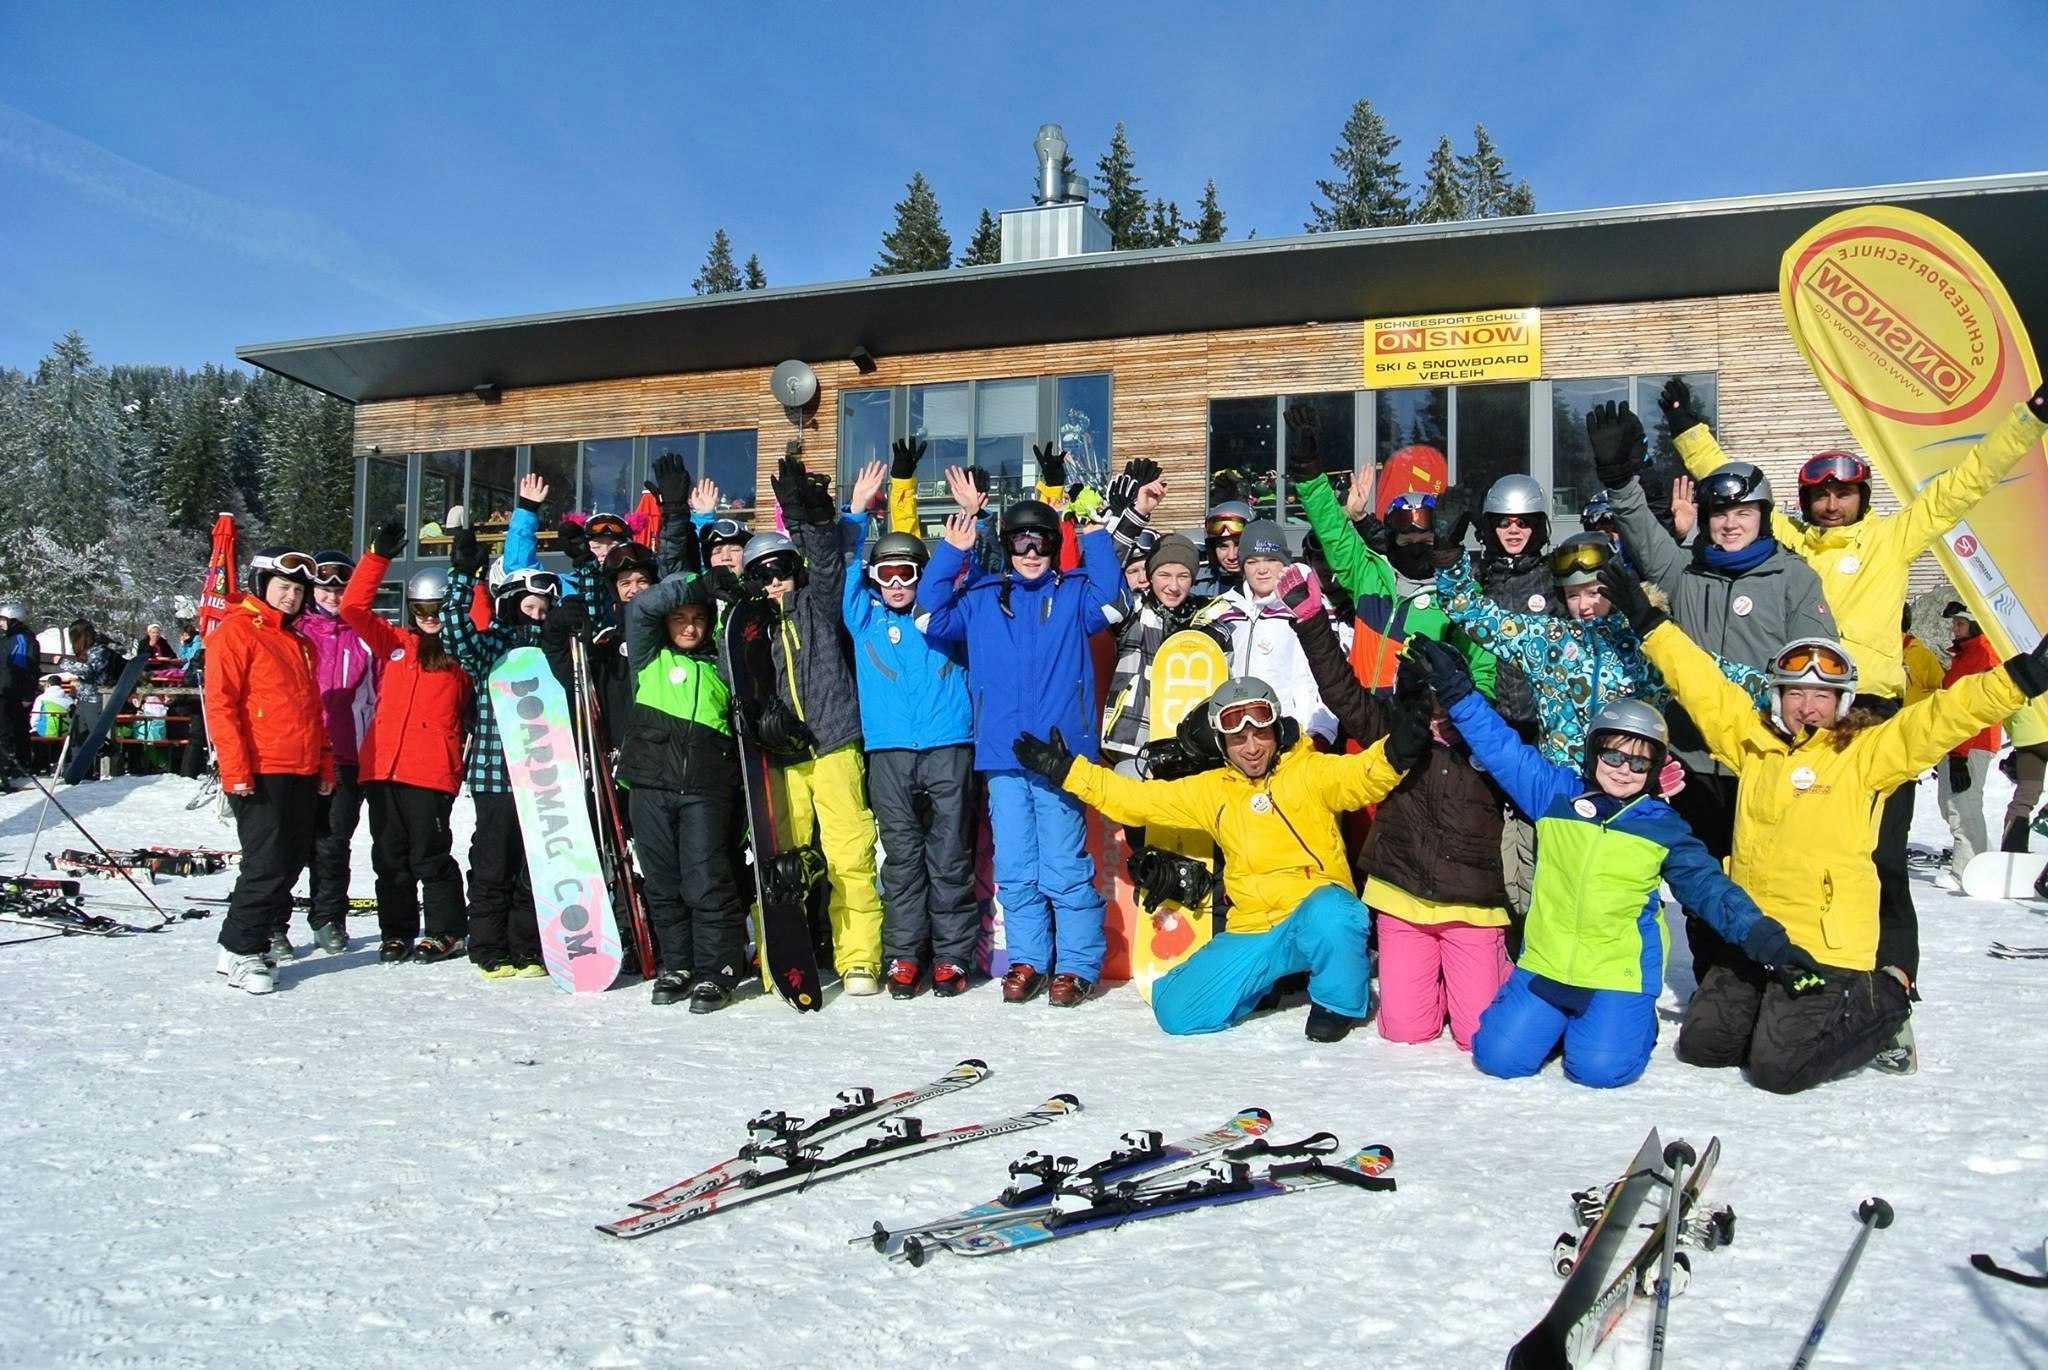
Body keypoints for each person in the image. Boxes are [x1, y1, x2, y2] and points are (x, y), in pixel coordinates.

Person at [1655, 377, 2048, 994]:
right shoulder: (1788, 544)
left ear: (1864, 496)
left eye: (1845, 493)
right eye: (1821, 494)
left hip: (1870, 716)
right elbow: (1728, 480)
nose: (1833, 504)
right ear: (1804, 501)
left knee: (1882, 859)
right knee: (1776, 855)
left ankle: (1893, 987)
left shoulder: (1892, 539)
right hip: (1791, 713)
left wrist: (2029, 419)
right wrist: (1687, 426)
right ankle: (1769, 973)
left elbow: (1966, 480)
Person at [1601, 559, 2048, 1092]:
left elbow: (1943, 715)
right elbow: (1703, 687)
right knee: (1704, 1047)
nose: (1807, 707)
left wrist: (2021, 678)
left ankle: (1884, 1002)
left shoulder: (1869, 752)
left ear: (1843, 702)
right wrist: (1650, 625)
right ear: (1777, 696)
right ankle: (1772, 1006)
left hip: (1827, 948)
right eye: (1795, 694)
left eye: (1821, 696)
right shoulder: (1755, 745)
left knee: (1778, 1070)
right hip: (1757, 937)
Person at [1410, 639, 1806, 1087]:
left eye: (1639, 762)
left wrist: (1768, 942)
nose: (1623, 769)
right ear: (1593, 752)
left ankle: (1630, 1022)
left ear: (1655, 769)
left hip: (1618, 972)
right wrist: (1458, 691)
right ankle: (1556, 1020)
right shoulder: (1555, 794)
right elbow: (1501, 748)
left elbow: (1712, 891)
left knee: (1600, 1071)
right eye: (1613, 755)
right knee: (1498, 1058)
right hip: (1548, 964)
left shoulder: (1663, 827)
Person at [1016, 675, 1421, 1040]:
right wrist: (1069, 772)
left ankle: (1338, 1001)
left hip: (1312, 917)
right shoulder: (1214, 791)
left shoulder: (1309, 771)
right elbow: (1137, 800)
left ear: (1275, 729)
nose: (1251, 746)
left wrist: (1399, 746)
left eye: (1259, 731)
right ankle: (1260, 981)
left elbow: (1362, 776)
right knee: (1176, 1011)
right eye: (1237, 737)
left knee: (1336, 909)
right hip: (1255, 929)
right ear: (1222, 742)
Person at [1588, 402, 1832, 984]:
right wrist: (1620, 481)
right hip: (1694, 761)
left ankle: (1772, 973)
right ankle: (1715, 980)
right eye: (1719, 511)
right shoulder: (1686, 573)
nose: (1728, 522)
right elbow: (1644, 534)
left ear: (1763, 515)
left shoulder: (1794, 578)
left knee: (1762, 877)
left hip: (1762, 761)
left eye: (1742, 511)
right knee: (1698, 879)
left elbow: (1815, 669)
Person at [1282, 568, 1510, 1051]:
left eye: (1444, 696)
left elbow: (1543, 772)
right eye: (1424, 698)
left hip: (1471, 906)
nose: (1436, 709)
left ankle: (1490, 969)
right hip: (1402, 899)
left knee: (1478, 1036)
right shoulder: (1396, 737)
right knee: (1406, 1031)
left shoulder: (1491, 745)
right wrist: (1311, 621)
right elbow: (1341, 691)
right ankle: (1441, 979)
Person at [920, 477, 1124, 1007]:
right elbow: (928, 615)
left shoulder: (1074, 593)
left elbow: (1114, 603)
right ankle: (1030, 959)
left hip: (1060, 757)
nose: (1031, 552)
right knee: (1015, 865)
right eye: (1021, 542)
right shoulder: (983, 598)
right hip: (1003, 754)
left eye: (1042, 542)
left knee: (1064, 861)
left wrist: (1096, 529)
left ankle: (1077, 964)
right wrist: (952, 551)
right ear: (1007, 545)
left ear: (1055, 547)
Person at [744, 447, 887, 996]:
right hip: (783, 759)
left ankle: (857, 959)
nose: (775, 583)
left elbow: (827, 565)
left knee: (849, 854)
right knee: (788, 862)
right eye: (764, 576)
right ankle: (786, 953)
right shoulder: (749, 628)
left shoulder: (817, 604)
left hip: (832, 743)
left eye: (782, 572)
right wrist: (765, 723)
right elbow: (742, 688)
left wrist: (811, 522)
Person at [1435, 532, 1766, 768]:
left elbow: (1715, 675)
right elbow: (1474, 614)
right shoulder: (1547, 639)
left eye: (1595, 592)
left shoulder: (1645, 646)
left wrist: (1788, 693)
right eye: (1573, 595)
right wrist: (1451, 568)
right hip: (1562, 793)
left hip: (1630, 788)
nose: (1585, 606)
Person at [843, 469, 978, 999]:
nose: (897, 584)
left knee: (949, 857)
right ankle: (904, 955)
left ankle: (951, 957)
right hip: (890, 753)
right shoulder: (864, 618)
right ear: (875, 579)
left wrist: (973, 515)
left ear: (923, 576)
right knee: (900, 861)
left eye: (907, 573)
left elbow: (977, 564)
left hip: (948, 746)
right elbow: (841, 570)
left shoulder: (944, 616)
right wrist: (855, 512)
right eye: (887, 574)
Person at [443, 494, 566, 979]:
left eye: (543, 607)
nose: (536, 614)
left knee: (532, 867)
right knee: (494, 862)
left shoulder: (558, 649)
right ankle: (488, 944)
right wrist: (462, 579)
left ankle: (526, 944)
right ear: (511, 605)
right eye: (528, 605)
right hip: (498, 774)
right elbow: (456, 636)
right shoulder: (494, 644)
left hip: (544, 777)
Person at [205, 548, 337, 994]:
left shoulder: (299, 642)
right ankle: (243, 949)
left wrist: (323, 762)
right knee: (265, 863)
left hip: (300, 766)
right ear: (264, 586)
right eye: (284, 587)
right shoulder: (237, 632)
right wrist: (235, 768)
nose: (291, 596)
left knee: (292, 861)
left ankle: (244, 943)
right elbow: (221, 706)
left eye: (299, 590)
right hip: (261, 766)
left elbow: (311, 710)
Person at [341, 526, 474, 964]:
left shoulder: (462, 653)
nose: (429, 616)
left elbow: (484, 620)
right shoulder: (395, 643)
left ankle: (447, 930)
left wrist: (467, 578)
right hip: (382, 768)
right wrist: (376, 558)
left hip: (430, 769)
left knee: (428, 856)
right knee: (389, 857)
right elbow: (353, 608)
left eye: (437, 608)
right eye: (421, 608)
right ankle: (396, 931)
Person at [619, 561, 746, 1010]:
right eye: (680, 618)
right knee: (663, 882)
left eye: (698, 618)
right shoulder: (649, 658)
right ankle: (679, 964)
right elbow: (641, 608)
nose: (690, 627)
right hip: (651, 785)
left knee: (706, 879)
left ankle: (718, 969)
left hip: (707, 789)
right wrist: (698, 583)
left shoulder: (720, 664)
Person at [297, 549, 379, 954]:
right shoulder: (297, 630)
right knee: (290, 843)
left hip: (347, 754)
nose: (331, 596)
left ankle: (329, 917)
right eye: (324, 588)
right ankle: (274, 923)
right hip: (301, 754)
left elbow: (381, 695)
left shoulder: (364, 634)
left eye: (339, 589)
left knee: (332, 843)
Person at [1194, 518, 1337, 744]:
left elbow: (1323, 676)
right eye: (1252, 561)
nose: (1262, 569)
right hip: (1235, 736)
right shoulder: (1221, 611)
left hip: (1293, 733)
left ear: (1285, 563)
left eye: (1271, 560)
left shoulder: (1308, 607)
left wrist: (1319, 732)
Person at [1101, 534, 1208, 772]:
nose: (1173, 586)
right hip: (1134, 738)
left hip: (1188, 743)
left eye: (1183, 576)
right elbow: (1102, 577)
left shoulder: (1206, 616)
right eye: (1164, 575)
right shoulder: (1133, 611)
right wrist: (1132, 518)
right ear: (1150, 577)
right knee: (1129, 806)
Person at [1936, 602, 2001, 883]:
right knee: (1947, 802)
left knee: (1963, 805)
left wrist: (1960, 753)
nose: (1954, 629)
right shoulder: (1964, 656)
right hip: (1955, 741)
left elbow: (1976, 707)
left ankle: (1967, 870)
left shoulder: (1983, 654)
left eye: (1960, 624)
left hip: (1973, 741)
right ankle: (1983, 860)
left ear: (1974, 624)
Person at [56, 619, 126, 779]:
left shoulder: (99, 650)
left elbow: (89, 671)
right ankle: (79, 771)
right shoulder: (90, 650)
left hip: (96, 700)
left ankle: (114, 769)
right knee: (77, 737)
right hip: (84, 699)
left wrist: (63, 663)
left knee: (98, 739)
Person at [0, 600, 39, 789]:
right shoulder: (6, 639)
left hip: (16, 692)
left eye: (3, 619)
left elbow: (25, 668)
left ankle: (19, 764)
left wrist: (26, 694)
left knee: (16, 730)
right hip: (5, 691)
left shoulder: (23, 639)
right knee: (6, 729)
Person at [1192, 499, 1250, 599]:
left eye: (1238, 545)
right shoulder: (1197, 585)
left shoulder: (1270, 582)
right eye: (1223, 547)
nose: (1231, 556)